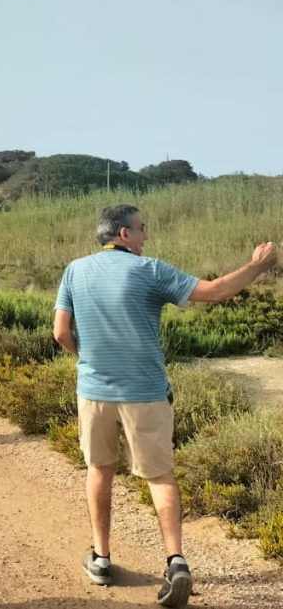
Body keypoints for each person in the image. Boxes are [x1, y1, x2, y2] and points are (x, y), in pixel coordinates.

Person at [53, 204, 278, 607]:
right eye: (141, 229)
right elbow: (215, 291)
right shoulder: (149, 270)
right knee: (159, 477)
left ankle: (101, 559)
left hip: (94, 391)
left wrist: (86, 360)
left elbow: (60, 333)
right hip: (145, 393)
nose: (145, 237)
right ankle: (176, 562)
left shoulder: (74, 270)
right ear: (123, 234)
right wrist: (256, 266)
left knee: (99, 470)